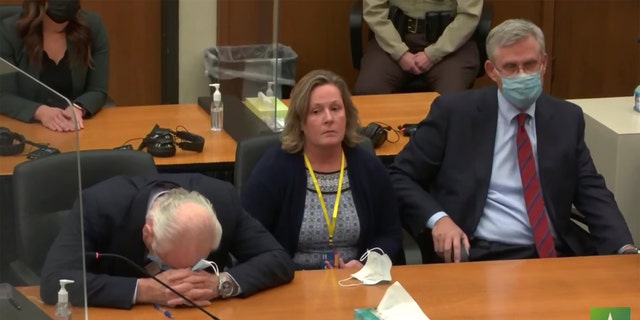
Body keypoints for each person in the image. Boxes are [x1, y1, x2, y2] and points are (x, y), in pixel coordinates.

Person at [389, 19, 637, 263]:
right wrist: (438, 219)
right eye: (511, 67)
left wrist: (623, 246)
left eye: (530, 65)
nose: (522, 75)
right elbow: (400, 175)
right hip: (479, 252)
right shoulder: (454, 113)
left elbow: (591, 188)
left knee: (613, 305)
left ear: (544, 64)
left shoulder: (566, 117)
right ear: (491, 71)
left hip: (553, 252)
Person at [40, 173, 295, 309]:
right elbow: (54, 281)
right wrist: (143, 290)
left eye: (194, 266)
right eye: (169, 265)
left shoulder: (223, 200)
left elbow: (277, 259)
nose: (181, 278)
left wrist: (220, 284)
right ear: (147, 232)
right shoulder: (98, 205)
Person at [241, 69, 403, 270]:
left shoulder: (368, 166)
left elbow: (390, 233)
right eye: (316, 111)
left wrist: (366, 264)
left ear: (347, 114)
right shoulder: (275, 168)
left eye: (336, 108)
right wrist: (292, 273)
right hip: (290, 283)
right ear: (301, 121)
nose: (329, 118)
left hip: (355, 282)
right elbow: (249, 237)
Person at [0, 0, 109, 132]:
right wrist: (40, 112)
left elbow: (98, 90)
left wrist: (78, 108)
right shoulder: (9, 32)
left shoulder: (92, 26)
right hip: (28, 130)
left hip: (77, 130)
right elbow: (3, 95)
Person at [354, 0, 482, 95]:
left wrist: (433, 54)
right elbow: (374, 11)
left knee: (452, 97)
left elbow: (468, 15)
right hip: (393, 38)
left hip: (448, 42)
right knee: (368, 91)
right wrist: (399, 52)